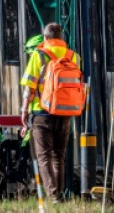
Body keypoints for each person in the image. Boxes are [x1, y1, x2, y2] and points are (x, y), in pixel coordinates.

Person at [20, 22, 80, 203]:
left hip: (42, 112)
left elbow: (30, 86)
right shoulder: (73, 56)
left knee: (44, 156)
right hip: (65, 112)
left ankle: (53, 196)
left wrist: (24, 110)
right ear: (62, 38)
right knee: (59, 155)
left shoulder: (39, 55)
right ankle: (59, 193)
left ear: (45, 38)